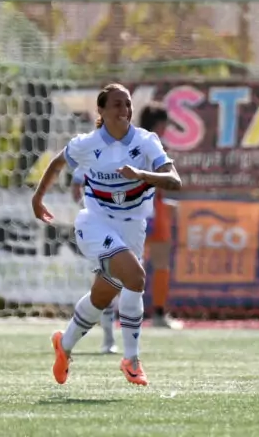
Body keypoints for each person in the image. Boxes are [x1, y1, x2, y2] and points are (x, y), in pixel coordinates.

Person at [32, 83, 181, 386]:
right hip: (95, 224)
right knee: (136, 278)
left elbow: (174, 180)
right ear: (100, 109)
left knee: (102, 295)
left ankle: (65, 344)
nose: (124, 110)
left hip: (133, 227)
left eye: (127, 104)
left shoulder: (146, 141)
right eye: (116, 104)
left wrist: (142, 175)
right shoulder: (86, 143)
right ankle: (132, 360)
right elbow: (58, 163)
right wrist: (38, 197)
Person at [138, 104, 180, 328]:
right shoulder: (154, 146)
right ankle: (158, 314)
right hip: (147, 210)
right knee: (158, 261)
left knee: (134, 263)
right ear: (159, 125)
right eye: (164, 125)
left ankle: (118, 311)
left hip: (141, 208)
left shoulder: (130, 144)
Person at [71, 168, 118, 354]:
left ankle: (127, 345)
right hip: (101, 227)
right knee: (106, 281)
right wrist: (87, 209)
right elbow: (76, 186)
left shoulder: (133, 155)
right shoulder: (89, 156)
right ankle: (109, 339)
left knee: (130, 283)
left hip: (129, 225)